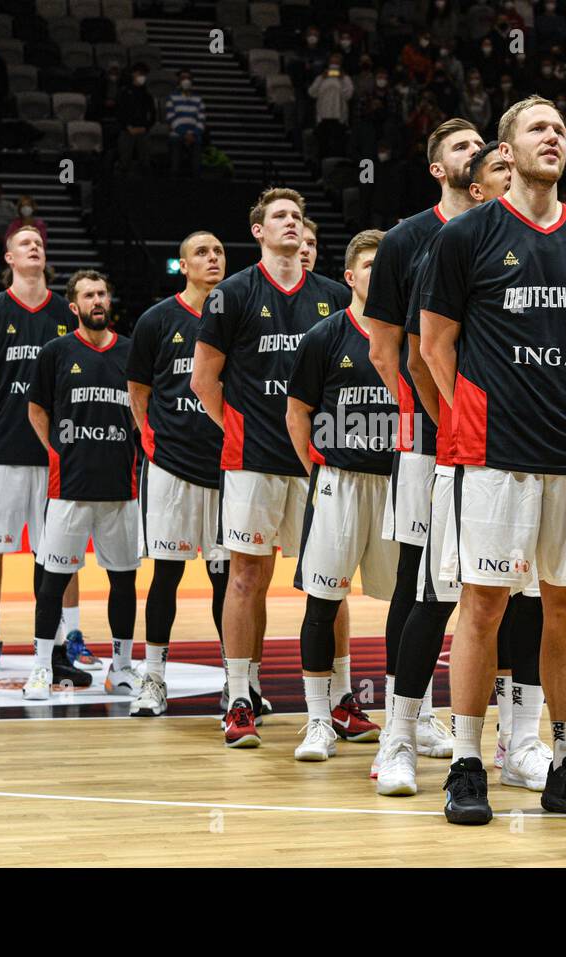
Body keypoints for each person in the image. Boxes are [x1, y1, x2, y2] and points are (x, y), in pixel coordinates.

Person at [419, 96, 566, 825]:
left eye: (561, 128)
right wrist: (471, 411)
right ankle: (468, 761)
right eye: (538, 127)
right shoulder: (467, 236)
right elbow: (434, 345)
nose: (553, 136)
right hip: (496, 453)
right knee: (483, 605)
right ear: (505, 149)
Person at [376, 141, 543, 798]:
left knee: (526, 593)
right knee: (434, 592)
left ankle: (520, 738)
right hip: (451, 448)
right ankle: (399, 736)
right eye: (498, 168)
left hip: (534, 451)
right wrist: (458, 420)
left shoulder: (555, 247)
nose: (512, 172)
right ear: (474, 189)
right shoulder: (447, 246)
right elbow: (414, 355)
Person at [191, 187, 351, 747]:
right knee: (246, 577)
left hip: (320, 463)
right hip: (252, 460)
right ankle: (240, 695)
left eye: (298, 216)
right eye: (279, 216)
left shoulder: (332, 294)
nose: (291, 222)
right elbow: (203, 381)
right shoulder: (232, 294)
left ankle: (341, 699)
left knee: (330, 581)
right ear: (258, 231)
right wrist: (240, 430)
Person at [362, 118, 483, 778]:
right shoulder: (406, 239)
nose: (476, 154)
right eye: (462, 147)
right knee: (419, 583)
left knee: (498, 587)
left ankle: (501, 731)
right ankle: (404, 721)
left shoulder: (504, 228)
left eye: (480, 145)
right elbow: (385, 348)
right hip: (427, 439)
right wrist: (427, 407)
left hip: (503, 441)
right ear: (439, 168)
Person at [0, 224, 84, 689]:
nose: (35, 247)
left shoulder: (66, 314)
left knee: (54, 559)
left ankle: (53, 654)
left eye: (40, 243)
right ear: (8, 258)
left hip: (52, 457)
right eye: (24, 243)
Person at [285, 230, 398, 760]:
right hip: (340, 483)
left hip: (399, 485)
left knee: (406, 607)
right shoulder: (325, 336)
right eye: (370, 265)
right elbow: (297, 412)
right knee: (323, 602)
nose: (379, 273)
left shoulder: (408, 337)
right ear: (351, 277)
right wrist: (318, 468)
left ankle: (404, 721)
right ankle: (316, 720)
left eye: (387, 264)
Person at [125, 231, 230, 717]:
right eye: (202, 253)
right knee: (165, 575)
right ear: (183, 265)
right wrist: (151, 438)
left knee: (226, 579)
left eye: (218, 253)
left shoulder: (237, 314)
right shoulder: (157, 320)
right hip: (170, 466)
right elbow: (138, 390)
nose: (213, 259)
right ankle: (153, 679)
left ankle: (238, 682)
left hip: (227, 466)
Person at [23, 271, 140, 700]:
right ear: (73, 306)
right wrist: (54, 451)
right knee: (52, 581)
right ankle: (40, 669)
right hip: (68, 487)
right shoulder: (56, 352)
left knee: (123, 582)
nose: (97, 300)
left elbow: (142, 407)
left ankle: (121, 668)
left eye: (102, 294)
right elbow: (36, 410)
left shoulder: (129, 350)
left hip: (120, 489)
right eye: (88, 295)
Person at [308, 54, 354, 160]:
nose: (334, 65)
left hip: (339, 118)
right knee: (322, 148)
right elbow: (311, 93)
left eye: (336, 63)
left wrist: (341, 79)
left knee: (337, 149)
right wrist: (321, 79)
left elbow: (349, 95)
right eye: (332, 63)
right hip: (323, 118)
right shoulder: (320, 78)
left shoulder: (346, 78)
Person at [116, 63, 158, 175]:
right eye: (140, 74)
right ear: (133, 74)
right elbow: (119, 112)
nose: (142, 77)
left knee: (145, 163)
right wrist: (128, 127)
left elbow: (153, 114)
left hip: (143, 131)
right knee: (124, 163)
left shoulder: (147, 95)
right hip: (127, 130)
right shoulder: (124, 92)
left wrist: (146, 127)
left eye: (144, 75)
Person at [166, 71, 206, 178]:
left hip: (195, 137)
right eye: (183, 78)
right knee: (175, 168)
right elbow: (171, 119)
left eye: (188, 78)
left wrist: (193, 134)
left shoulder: (198, 99)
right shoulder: (172, 98)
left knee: (196, 169)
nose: (186, 80)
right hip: (177, 136)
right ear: (179, 81)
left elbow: (201, 120)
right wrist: (184, 134)